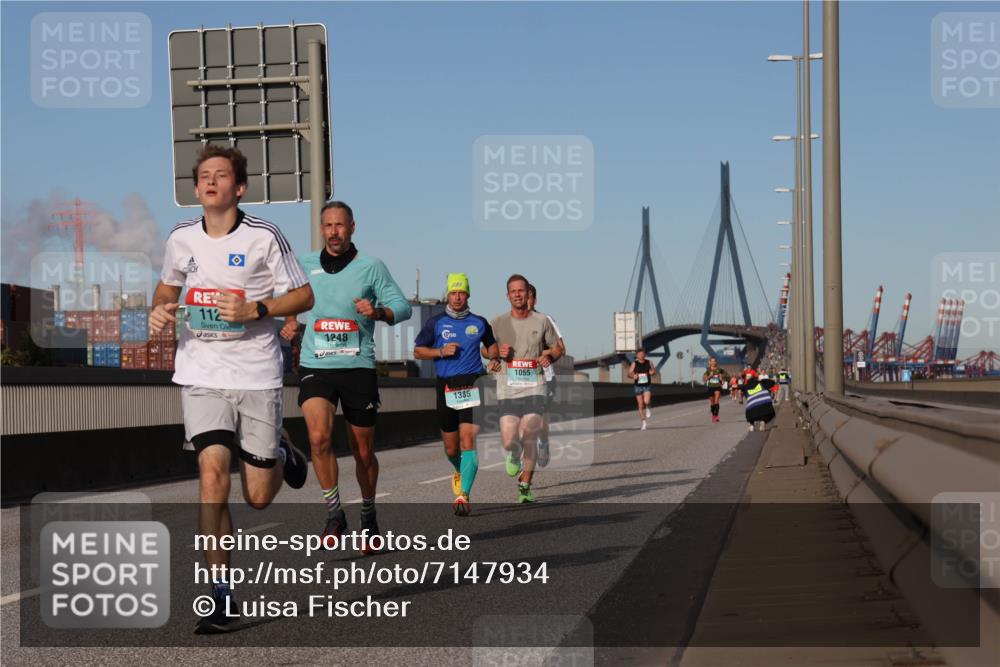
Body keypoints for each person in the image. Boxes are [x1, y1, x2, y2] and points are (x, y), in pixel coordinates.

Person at [150, 144, 314, 634]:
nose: (211, 181)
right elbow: (166, 291)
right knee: (211, 478)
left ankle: (282, 454)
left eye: (221, 175)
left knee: (259, 496)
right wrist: (159, 310)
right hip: (201, 373)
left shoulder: (265, 235)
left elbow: (304, 294)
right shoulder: (181, 238)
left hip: (256, 374)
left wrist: (257, 310)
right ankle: (220, 595)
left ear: (239, 187)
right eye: (204, 175)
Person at [281, 201, 411, 553]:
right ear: (321, 229)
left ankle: (368, 514)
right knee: (319, 437)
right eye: (328, 226)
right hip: (316, 364)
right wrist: (291, 320)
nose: (334, 232)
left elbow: (403, 307)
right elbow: (285, 300)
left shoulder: (371, 267)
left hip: (357, 367)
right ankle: (334, 513)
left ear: (353, 227)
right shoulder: (304, 266)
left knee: (363, 451)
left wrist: (379, 310)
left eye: (340, 225)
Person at [413, 273, 499, 516]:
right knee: (451, 449)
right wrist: (440, 351)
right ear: (447, 295)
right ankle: (460, 470)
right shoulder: (435, 323)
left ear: (468, 295)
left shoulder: (480, 322)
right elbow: (418, 351)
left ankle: (463, 495)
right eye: (453, 292)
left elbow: (491, 345)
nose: (458, 297)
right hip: (446, 386)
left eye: (462, 292)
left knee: (468, 441)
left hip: (473, 383)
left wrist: (493, 357)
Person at [492, 274, 562, 503]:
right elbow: (486, 351)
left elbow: (558, 348)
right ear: (508, 295)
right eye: (513, 291)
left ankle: (525, 485)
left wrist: (549, 356)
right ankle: (513, 453)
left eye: (522, 291)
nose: (518, 295)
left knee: (530, 433)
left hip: (535, 386)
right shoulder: (498, 322)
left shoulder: (542, 321)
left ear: (528, 294)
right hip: (508, 388)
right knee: (509, 438)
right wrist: (494, 355)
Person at [527, 283, 565, 467]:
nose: (524, 300)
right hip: (518, 378)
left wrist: (544, 355)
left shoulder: (545, 320)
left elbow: (561, 348)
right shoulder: (508, 322)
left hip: (544, 377)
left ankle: (543, 442)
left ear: (535, 299)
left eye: (529, 297)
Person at [627, 348, 658, 430]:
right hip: (638, 386)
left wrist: (652, 372)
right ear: (637, 355)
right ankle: (644, 423)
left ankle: (648, 406)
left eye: (643, 354)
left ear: (644, 354)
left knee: (646, 401)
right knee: (640, 405)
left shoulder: (649, 362)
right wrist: (633, 376)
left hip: (647, 385)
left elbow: (654, 371)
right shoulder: (634, 363)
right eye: (640, 354)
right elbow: (629, 373)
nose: (642, 355)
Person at [702, 357, 728, 423]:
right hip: (710, 387)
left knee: (716, 401)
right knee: (712, 403)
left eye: (714, 361)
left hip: (717, 386)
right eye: (712, 361)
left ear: (716, 362)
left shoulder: (719, 369)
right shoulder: (708, 370)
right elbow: (704, 379)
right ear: (710, 362)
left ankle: (716, 416)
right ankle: (713, 415)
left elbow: (726, 375)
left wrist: (722, 377)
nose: (713, 362)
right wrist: (709, 376)